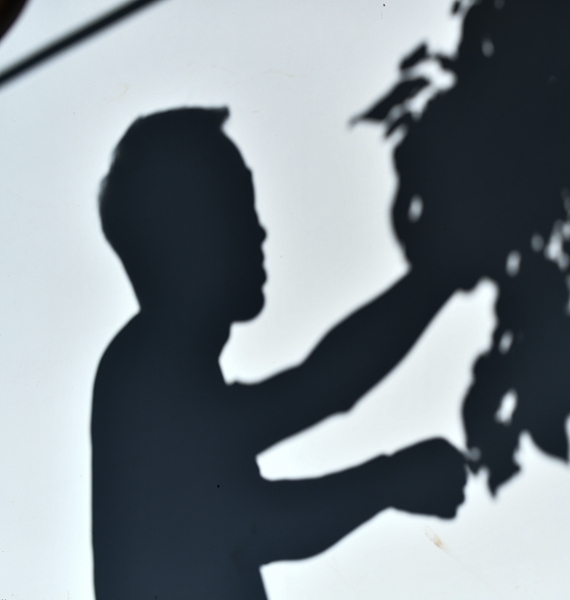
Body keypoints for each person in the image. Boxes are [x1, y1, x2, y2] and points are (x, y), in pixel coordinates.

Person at [91, 107, 468, 599]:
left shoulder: (149, 369)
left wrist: (391, 479)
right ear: (186, 228)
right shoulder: (145, 370)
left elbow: (314, 393)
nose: (259, 231)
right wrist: (390, 480)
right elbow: (257, 517)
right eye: (237, 206)